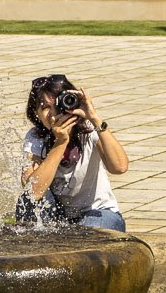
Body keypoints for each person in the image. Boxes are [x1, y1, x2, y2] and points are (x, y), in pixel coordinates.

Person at [16, 74, 130, 231]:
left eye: (57, 106)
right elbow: (33, 192)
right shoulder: (35, 137)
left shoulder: (88, 129)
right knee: (25, 205)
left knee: (83, 232)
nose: (52, 114)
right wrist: (60, 143)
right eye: (45, 108)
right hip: (58, 216)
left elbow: (119, 167)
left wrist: (95, 118)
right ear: (35, 113)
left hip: (98, 213)